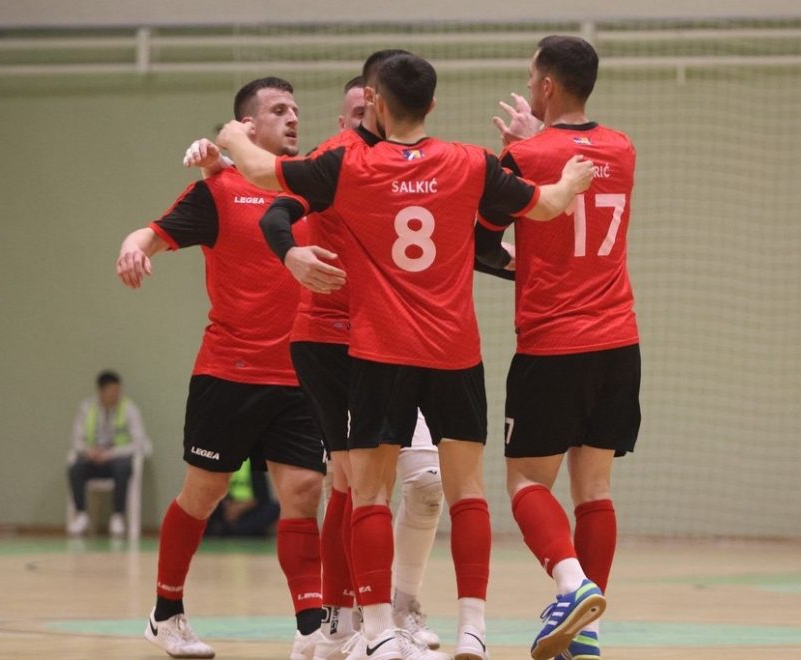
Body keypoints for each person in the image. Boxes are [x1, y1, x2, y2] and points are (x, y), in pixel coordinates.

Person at [217, 52, 593, 660]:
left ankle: (380, 631)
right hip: (454, 353)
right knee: (466, 491)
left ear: (376, 103)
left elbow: (262, 174)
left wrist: (232, 134)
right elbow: (547, 204)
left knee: (368, 492)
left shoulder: (351, 165)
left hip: (381, 351)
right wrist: (572, 179)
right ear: (433, 105)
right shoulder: (470, 162)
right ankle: (473, 629)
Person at [185, 61, 446, 657]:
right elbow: (273, 202)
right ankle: (343, 623)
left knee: (422, 483)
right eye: (355, 113)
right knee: (350, 483)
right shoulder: (334, 161)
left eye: (371, 111)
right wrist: (289, 252)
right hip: (330, 346)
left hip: (398, 343)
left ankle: (397, 609)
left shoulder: (414, 169)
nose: (364, 120)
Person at [116, 76, 328, 660]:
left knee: (304, 491)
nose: (292, 117)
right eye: (278, 110)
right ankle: (166, 613)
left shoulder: (309, 185)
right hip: (229, 371)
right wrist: (134, 247)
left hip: (299, 374)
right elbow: (151, 234)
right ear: (246, 126)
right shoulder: (218, 190)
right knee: (203, 495)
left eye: (295, 108)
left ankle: (311, 625)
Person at [477, 36, 641, 660]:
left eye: (531, 78)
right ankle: (587, 634)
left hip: (552, 343)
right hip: (619, 342)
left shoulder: (525, 156)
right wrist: (535, 140)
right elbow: (571, 161)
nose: (528, 85)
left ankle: (574, 589)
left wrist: (518, 150)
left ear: (546, 85)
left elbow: (481, 243)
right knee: (594, 489)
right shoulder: (622, 148)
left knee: (525, 482)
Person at [67, 369, 149, 538]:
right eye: (111, 391)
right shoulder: (87, 408)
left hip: (116, 460)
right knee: (75, 468)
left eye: (118, 390)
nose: (115, 395)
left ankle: (117, 516)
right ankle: (81, 514)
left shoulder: (129, 409)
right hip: (92, 459)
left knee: (122, 468)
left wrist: (111, 453)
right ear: (101, 391)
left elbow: (139, 442)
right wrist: (89, 451)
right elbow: (76, 440)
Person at [205, 458, 280, 537]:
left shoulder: (254, 464)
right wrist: (228, 507)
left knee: (275, 508)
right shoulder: (221, 462)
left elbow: (262, 496)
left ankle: (233, 529)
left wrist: (240, 507)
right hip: (225, 509)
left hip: (249, 510)